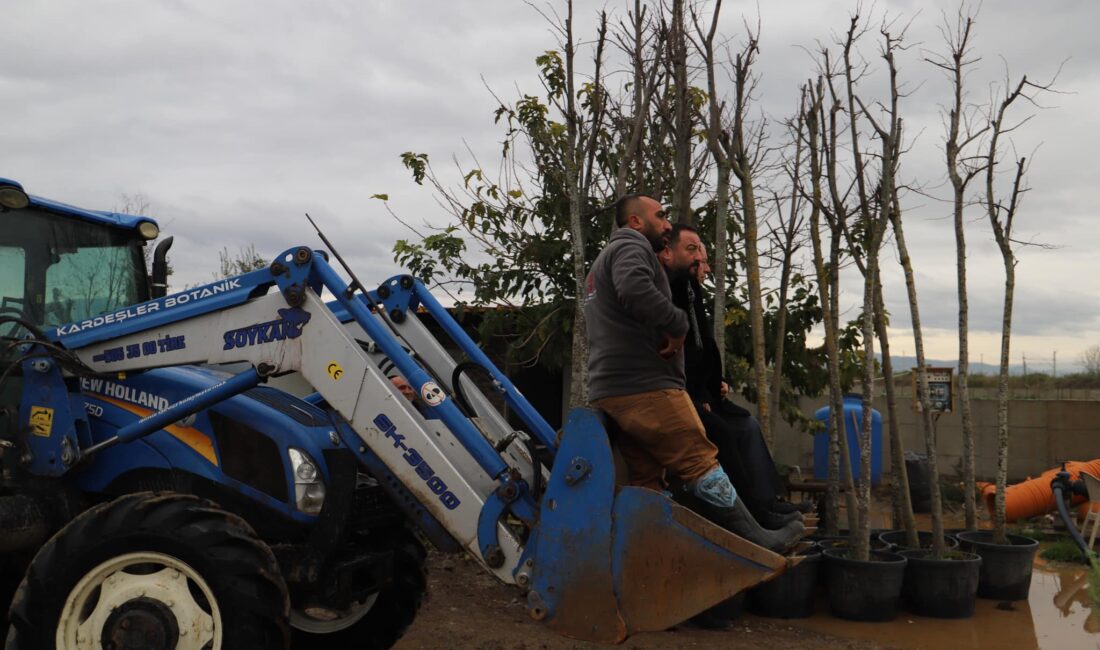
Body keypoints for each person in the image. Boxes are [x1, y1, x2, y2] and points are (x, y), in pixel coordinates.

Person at [583, 193, 802, 553]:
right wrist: (677, 324)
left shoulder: (603, 261)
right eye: (660, 215)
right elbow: (634, 289)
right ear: (636, 222)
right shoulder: (630, 247)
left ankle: (645, 560)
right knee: (699, 459)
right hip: (645, 388)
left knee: (646, 482)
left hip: (614, 390)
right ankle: (759, 541)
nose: (667, 223)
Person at [658, 223, 811, 529]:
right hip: (679, 396)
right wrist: (699, 396)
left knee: (747, 425)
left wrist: (716, 384)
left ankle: (767, 501)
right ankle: (752, 514)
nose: (700, 259)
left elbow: (704, 348)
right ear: (666, 253)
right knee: (723, 433)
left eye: (701, 250)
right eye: (691, 250)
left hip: (703, 392)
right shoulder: (665, 289)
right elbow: (677, 353)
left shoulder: (691, 292)